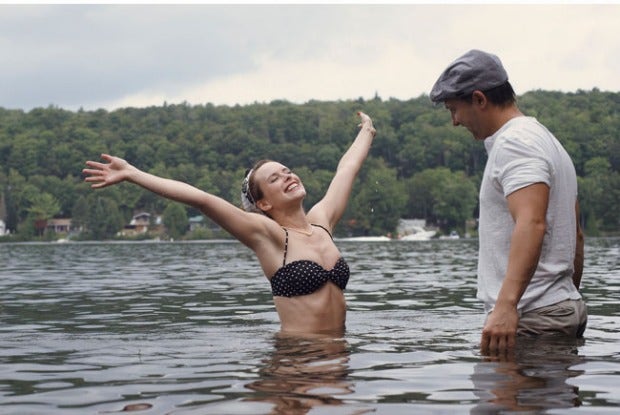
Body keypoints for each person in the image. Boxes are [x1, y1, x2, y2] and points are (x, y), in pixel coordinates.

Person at [83, 112, 376, 335]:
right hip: (295, 358)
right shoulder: (268, 235)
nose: (288, 176)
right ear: (263, 204)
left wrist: (367, 130)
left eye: (287, 171)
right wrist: (133, 173)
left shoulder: (322, 224)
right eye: (275, 178)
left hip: (340, 351)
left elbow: (347, 169)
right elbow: (202, 199)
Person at [430, 49, 586, 354]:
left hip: (532, 319)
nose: (454, 122)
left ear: (479, 99)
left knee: (501, 401)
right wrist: (563, 297)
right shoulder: (546, 140)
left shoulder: (515, 143)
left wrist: (506, 306)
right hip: (553, 311)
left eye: (454, 109)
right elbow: (576, 235)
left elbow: (532, 222)